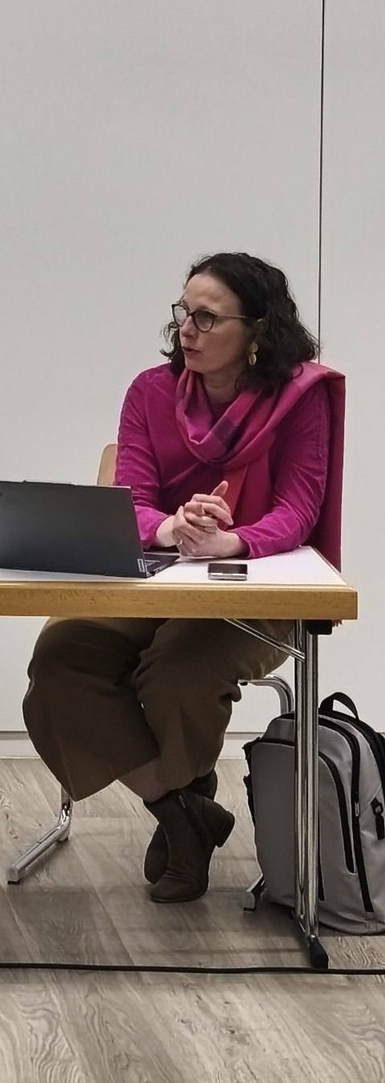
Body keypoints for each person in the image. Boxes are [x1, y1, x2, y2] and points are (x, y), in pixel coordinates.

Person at [23, 253, 344, 904]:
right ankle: (182, 810)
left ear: (257, 331)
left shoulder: (299, 398)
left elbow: (297, 510)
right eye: (183, 313)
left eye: (206, 318)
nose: (186, 330)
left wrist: (231, 540)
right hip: (152, 578)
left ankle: (182, 820)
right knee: (60, 661)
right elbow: (131, 502)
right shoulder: (150, 392)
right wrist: (172, 528)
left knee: (178, 670)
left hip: (255, 588)